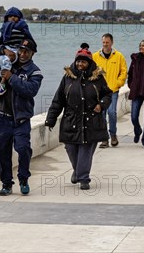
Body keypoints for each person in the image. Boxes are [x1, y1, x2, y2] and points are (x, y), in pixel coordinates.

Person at [45, 48, 112, 190]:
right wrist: (50, 119)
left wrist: (101, 105)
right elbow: (58, 100)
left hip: (92, 121)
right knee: (71, 149)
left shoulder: (98, 78)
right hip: (71, 120)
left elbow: (108, 95)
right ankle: (77, 171)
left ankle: (83, 178)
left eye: (83, 62)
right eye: (78, 61)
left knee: (85, 150)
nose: (80, 64)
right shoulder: (68, 78)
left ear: (89, 63)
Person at [0, 38, 43, 196]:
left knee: (23, 149)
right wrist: (4, 50)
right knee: (2, 151)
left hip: (21, 119)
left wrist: (11, 77)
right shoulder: (8, 61)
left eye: (26, 52)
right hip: (3, 116)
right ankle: (6, 184)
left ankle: (23, 178)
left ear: (32, 53)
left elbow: (29, 91)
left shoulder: (35, 72)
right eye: (20, 51)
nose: (22, 54)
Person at [93, 33, 127, 148]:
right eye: (103, 42)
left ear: (112, 43)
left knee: (111, 112)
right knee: (101, 114)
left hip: (113, 90)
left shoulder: (119, 56)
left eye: (107, 42)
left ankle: (113, 135)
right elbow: (90, 72)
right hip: (99, 92)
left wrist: (118, 83)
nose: (105, 44)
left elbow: (123, 72)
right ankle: (104, 139)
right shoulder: (95, 56)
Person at [0, 7, 34, 97]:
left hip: (17, 49)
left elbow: (29, 38)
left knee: (6, 59)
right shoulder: (5, 27)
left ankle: (2, 84)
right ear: (7, 18)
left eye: (15, 16)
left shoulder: (22, 26)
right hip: (7, 47)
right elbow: (1, 40)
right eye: (10, 16)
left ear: (19, 17)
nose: (13, 18)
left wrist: (32, 50)